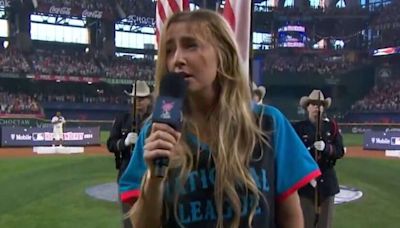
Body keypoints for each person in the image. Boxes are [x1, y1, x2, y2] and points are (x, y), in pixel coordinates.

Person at [119, 10, 321, 228]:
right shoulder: (154, 132)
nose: (177, 59)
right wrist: (154, 178)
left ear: (222, 55)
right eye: (169, 50)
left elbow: (290, 217)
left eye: (191, 45)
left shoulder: (269, 124)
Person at [292, 90, 345, 228]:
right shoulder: (298, 128)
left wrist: (326, 148)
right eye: (314, 104)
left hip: (327, 183)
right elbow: (292, 154)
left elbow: (339, 151)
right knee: (306, 223)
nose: (317, 107)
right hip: (305, 184)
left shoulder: (331, 127)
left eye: (320, 105)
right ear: (307, 107)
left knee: (324, 224)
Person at [107, 80, 152, 228]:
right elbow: (111, 144)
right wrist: (123, 143)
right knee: (129, 221)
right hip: (127, 176)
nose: (137, 103)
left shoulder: (155, 120)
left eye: (141, 99)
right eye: (135, 99)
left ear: (149, 99)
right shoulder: (122, 119)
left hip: (151, 177)